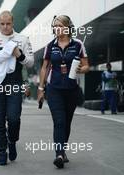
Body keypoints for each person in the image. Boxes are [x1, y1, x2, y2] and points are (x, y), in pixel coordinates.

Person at [0, 11, 34, 166]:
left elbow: (29, 63)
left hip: (15, 84)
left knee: (13, 118)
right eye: (2, 24)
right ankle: (2, 151)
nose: (5, 27)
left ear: (13, 22)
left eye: (8, 24)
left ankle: (12, 141)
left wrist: (19, 54)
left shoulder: (22, 39)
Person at [37, 15, 89, 169]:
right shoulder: (50, 46)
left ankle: (62, 150)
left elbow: (87, 66)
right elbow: (45, 68)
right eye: (55, 26)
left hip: (71, 90)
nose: (57, 28)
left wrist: (81, 69)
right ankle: (59, 154)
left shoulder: (78, 44)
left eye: (60, 25)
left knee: (66, 123)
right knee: (59, 121)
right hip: (54, 89)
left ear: (67, 27)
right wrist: (41, 88)